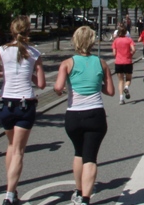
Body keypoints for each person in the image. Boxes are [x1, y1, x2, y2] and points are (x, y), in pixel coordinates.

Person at [0, 16, 46, 205]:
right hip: (25, 104)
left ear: (12, 31)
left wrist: (2, 74)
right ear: (28, 31)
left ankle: (10, 187)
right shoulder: (34, 53)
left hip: (6, 103)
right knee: (19, 150)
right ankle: (10, 194)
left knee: (11, 147)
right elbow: (42, 84)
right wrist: (31, 77)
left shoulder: (1, 50)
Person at [54, 26, 115, 205]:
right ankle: (85, 199)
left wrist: (61, 89)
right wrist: (97, 86)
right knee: (90, 157)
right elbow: (110, 91)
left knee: (78, 152)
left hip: (74, 115)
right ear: (92, 42)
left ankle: (79, 191)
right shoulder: (101, 63)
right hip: (95, 114)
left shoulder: (67, 63)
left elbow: (58, 87)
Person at [112, 24, 136, 104]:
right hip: (127, 62)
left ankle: (121, 98)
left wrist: (118, 56)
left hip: (118, 62)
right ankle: (126, 87)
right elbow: (133, 49)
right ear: (126, 32)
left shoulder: (116, 41)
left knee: (120, 80)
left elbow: (114, 53)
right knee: (128, 79)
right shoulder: (129, 40)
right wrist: (130, 54)